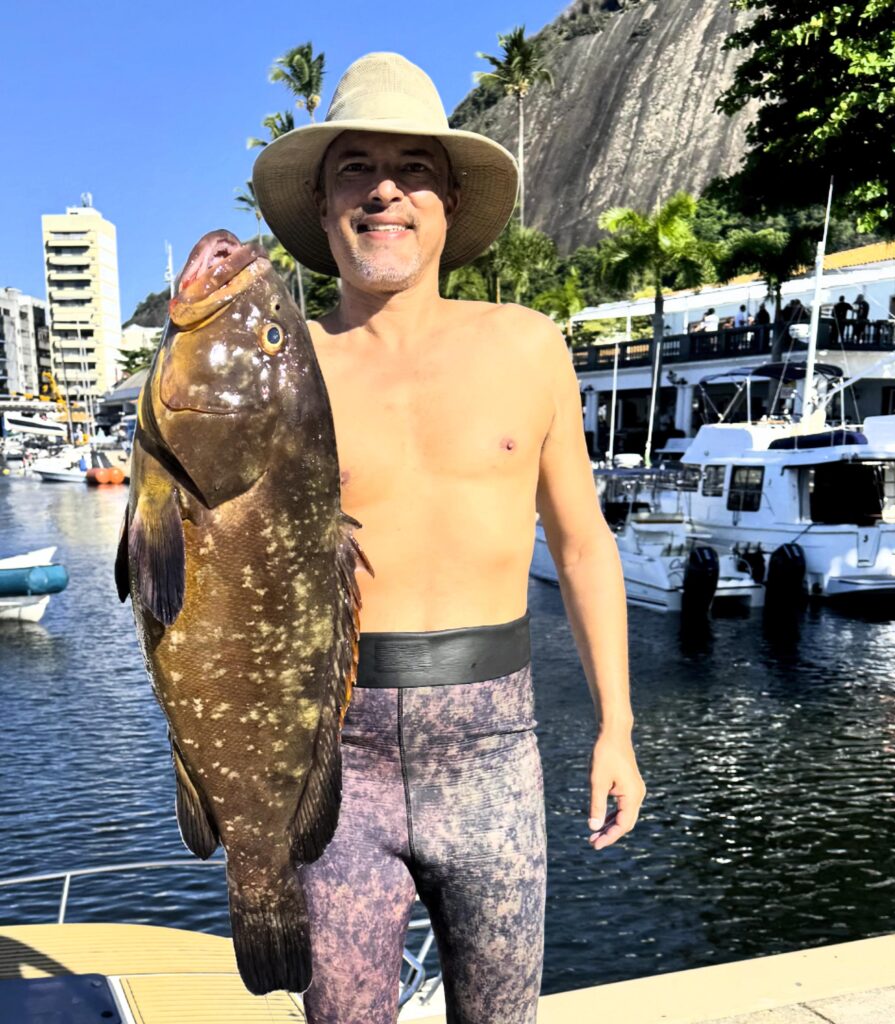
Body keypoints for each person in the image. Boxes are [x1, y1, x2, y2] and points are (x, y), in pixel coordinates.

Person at [253, 52, 644, 1024]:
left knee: (503, 1016)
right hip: (329, 762)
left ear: (449, 196)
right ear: (321, 197)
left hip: (495, 752)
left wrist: (617, 726)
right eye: (355, 166)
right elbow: (227, 578)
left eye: (412, 166)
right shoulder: (279, 369)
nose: (384, 188)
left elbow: (584, 542)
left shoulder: (526, 344)